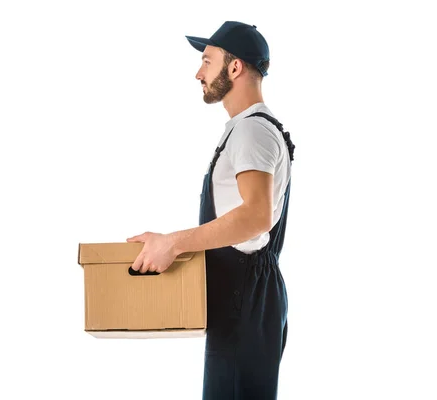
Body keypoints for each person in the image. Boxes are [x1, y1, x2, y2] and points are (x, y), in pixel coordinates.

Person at [127, 21, 295, 399]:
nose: (198, 72)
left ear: (234, 68)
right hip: (245, 299)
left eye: (207, 61)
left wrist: (174, 243)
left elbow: (256, 216)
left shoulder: (252, 131)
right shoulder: (248, 129)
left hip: (244, 302)